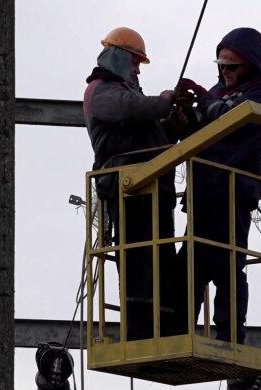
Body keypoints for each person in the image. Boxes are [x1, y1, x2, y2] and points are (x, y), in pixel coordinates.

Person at [175, 27, 261, 345]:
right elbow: (204, 125)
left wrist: (204, 102)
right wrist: (184, 112)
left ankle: (230, 336)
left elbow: (228, 120)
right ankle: (179, 331)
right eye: (221, 64)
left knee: (227, 265)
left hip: (231, 191)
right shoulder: (218, 91)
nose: (225, 71)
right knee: (190, 266)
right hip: (204, 191)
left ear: (249, 63)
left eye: (232, 66)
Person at [83, 27, 182, 340]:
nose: (139, 69)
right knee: (138, 259)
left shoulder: (127, 95)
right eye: (135, 61)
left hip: (152, 187)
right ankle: (139, 331)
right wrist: (164, 101)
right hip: (129, 187)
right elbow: (131, 109)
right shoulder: (101, 91)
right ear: (119, 58)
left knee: (161, 257)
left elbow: (151, 129)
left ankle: (163, 328)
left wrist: (175, 121)